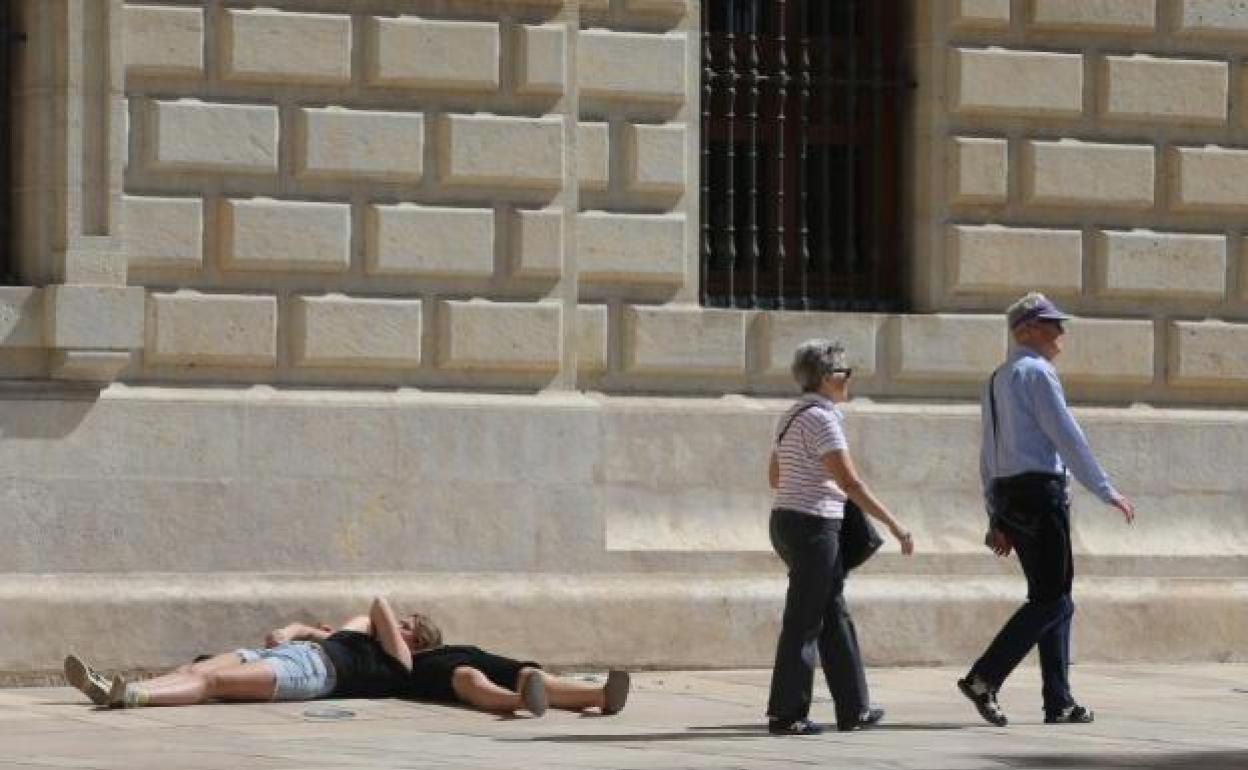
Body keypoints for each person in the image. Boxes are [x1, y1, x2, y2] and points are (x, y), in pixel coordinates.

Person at [958, 292, 1136, 727]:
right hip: (1040, 494)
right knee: (1053, 600)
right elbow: (1066, 435)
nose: (1061, 332)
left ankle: (1059, 700)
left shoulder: (997, 377)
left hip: (1009, 494)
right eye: (1051, 324)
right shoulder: (1037, 372)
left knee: (1054, 597)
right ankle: (984, 677)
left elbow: (989, 453)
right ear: (1026, 330)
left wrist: (994, 513)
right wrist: (1104, 488)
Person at [64, 601, 629, 718]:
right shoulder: (367, 637)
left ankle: (130, 697)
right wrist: (297, 629)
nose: (399, 622)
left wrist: (386, 622)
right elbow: (314, 626)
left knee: (213, 686)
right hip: (300, 653)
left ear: (415, 635)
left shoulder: (400, 659)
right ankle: (120, 686)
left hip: (315, 673)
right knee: (199, 670)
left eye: (410, 625)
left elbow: (377, 607)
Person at [765, 339, 915, 735]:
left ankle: (854, 708)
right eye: (846, 373)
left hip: (787, 520)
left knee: (832, 615)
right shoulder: (823, 419)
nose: (850, 380)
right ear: (828, 378)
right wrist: (895, 525)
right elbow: (850, 481)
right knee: (804, 620)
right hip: (814, 525)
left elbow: (774, 478)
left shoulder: (790, 415)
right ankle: (786, 714)